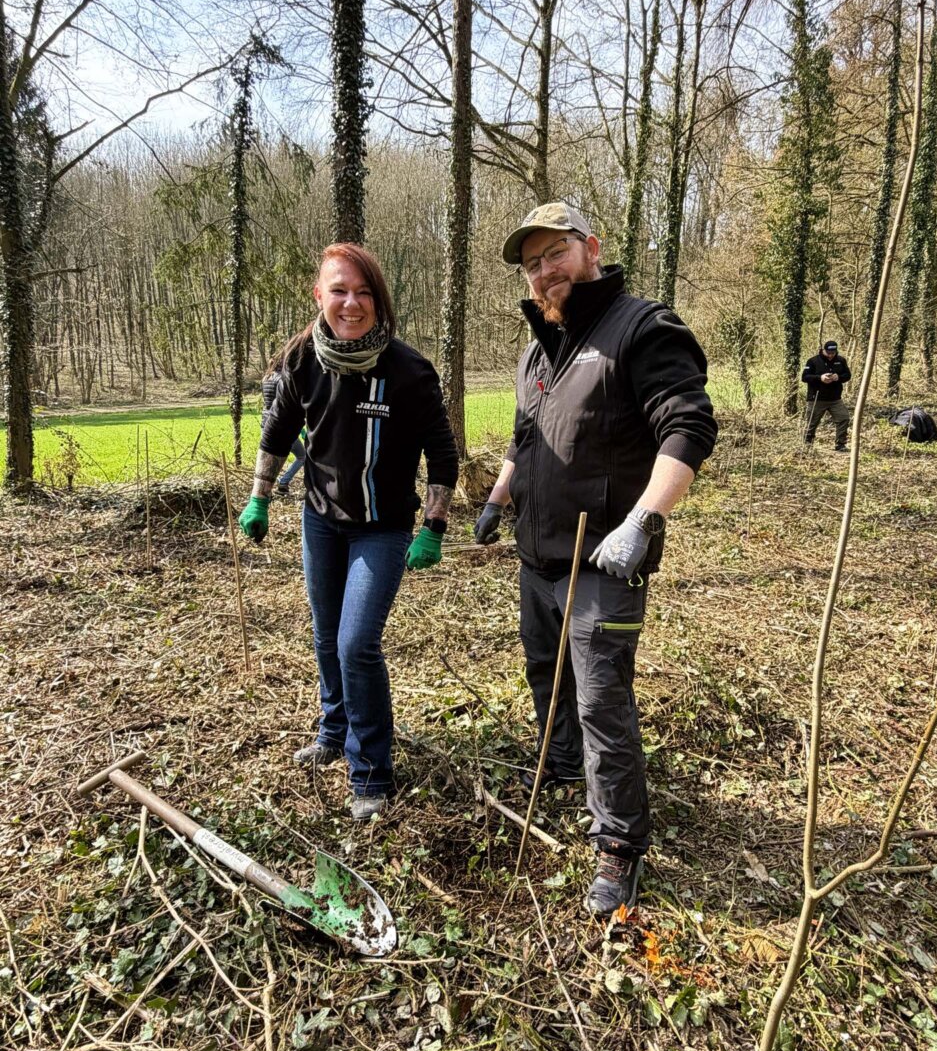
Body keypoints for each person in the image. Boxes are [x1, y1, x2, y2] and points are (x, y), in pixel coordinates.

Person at [474, 201, 717, 915]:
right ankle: (558, 767)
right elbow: (527, 442)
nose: (544, 271)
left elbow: (688, 424)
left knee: (601, 700)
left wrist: (645, 518)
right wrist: (495, 500)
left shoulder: (642, 328)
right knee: (546, 675)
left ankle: (618, 844)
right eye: (531, 263)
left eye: (555, 253)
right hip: (538, 556)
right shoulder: (538, 348)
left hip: (605, 561)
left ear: (591, 248)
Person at [237, 243, 458, 821]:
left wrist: (433, 525)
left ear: (379, 300)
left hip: (383, 529)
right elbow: (276, 432)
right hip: (321, 521)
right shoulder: (302, 361)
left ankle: (372, 772)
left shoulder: (409, 371)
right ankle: (333, 730)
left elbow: (442, 451)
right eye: (339, 290)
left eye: (363, 292)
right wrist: (258, 500)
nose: (351, 303)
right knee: (325, 633)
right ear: (320, 296)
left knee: (356, 642)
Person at [261, 367, 306, 495]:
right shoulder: (283, 379)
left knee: (268, 459)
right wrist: (301, 430)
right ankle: (283, 483)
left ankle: (264, 491)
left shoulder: (266, 378)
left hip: (266, 424)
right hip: (282, 426)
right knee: (302, 456)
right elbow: (286, 406)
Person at [801, 340, 852, 451]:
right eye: (828, 353)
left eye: (833, 353)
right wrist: (820, 378)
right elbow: (804, 377)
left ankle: (840, 444)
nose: (830, 355)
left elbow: (847, 375)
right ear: (823, 350)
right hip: (816, 399)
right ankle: (807, 445)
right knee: (811, 423)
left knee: (844, 418)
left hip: (835, 399)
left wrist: (838, 377)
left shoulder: (841, 360)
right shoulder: (813, 361)